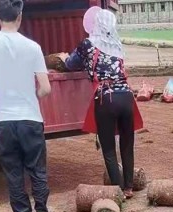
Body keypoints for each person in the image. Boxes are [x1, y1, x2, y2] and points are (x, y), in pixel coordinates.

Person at [0, 0, 51, 212]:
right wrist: (34, 94)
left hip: (4, 119)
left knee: (13, 172)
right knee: (37, 170)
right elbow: (46, 88)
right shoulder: (33, 47)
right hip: (30, 118)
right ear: (20, 16)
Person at [59, 8, 143, 200]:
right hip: (126, 97)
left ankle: (118, 190)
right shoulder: (118, 45)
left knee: (108, 149)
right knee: (127, 144)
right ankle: (129, 187)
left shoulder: (87, 45)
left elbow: (71, 64)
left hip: (106, 98)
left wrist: (63, 58)